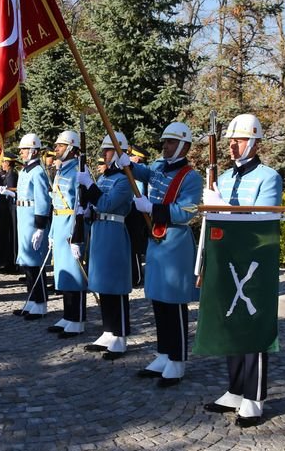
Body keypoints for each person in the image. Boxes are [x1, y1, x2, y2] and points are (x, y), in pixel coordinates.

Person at [201, 114, 282, 427]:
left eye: (239, 140)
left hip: (255, 261)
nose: (232, 146)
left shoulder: (268, 177)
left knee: (253, 328)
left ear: (255, 142)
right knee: (231, 323)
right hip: (228, 258)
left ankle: (254, 396)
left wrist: (224, 208)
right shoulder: (223, 178)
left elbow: (264, 222)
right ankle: (235, 388)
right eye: (231, 141)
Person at [130, 123, 203, 387]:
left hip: (174, 240)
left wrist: (153, 207)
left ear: (184, 146)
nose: (165, 145)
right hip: (157, 241)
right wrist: (122, 159)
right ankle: (163, 353)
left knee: (173, 303)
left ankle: (178, 359)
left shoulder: (191, 177)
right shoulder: (159, 167)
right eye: (165, 141)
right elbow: (141, 172)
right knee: (158, 300)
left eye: (171, 142)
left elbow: (187, 212)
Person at [77, 131, 134, 360]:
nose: (104, 154)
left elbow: (109, 203)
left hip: (114, 232)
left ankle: (120, 336)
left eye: (109, 150)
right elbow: (97, 204)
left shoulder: (124, 179)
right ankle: (108, 331)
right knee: (103, 285)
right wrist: (87, 211)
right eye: (104, 150)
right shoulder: (104, 178)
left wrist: (90, 186)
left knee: (116, 287)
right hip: (99, 231)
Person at [46, 130, 87, 337]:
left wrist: (77, 236)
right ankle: (67, 315)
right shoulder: (62, 170)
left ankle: (77, 319)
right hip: (60, 224)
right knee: (63, 273)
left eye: (60, 146)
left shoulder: (79, 171)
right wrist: (52, 233)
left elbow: (80, 207)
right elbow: (56, 204)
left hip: (71, 226)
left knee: (74, 274)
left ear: (71, 148)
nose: (56, 149)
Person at [8, 133, 51, 320]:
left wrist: (40, 226)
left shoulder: (38, 171)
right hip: (23, 218)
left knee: (35, 264)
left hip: (33, 221)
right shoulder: (25, 170)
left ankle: (40, 303)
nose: (21, 152)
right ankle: (32, 300)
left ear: (33, 150)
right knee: (27, 263)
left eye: (24, 149)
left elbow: (42, 200)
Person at [126, 144, 150, 287]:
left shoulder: (141, 172)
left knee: (135, 245)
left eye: (131, 156)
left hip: (137, 210)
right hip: (132, 209)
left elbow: (139, 192)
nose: (129, 158)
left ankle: (137, 276)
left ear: (137, 158)